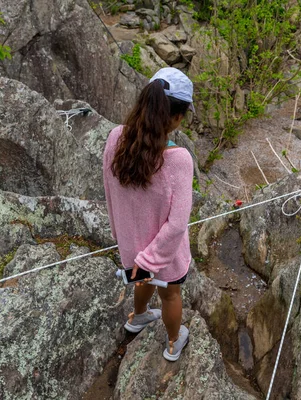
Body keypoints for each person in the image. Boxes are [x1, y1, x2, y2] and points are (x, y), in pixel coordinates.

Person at [103, 67, 195, 362]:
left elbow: (110, 191)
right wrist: (151, 261)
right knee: (170, 294)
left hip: (131, 246)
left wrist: (126, 244)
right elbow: (178, 223)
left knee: (141, 280)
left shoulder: (116, 138)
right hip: (164, 256)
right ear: (177, 117)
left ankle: (138, 316)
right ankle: (172, 341)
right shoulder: (178, 160)